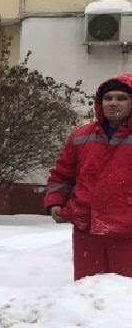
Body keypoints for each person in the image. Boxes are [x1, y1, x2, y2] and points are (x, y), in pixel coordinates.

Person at [45, 74, 132, 278]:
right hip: (87, 229)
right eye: (108, 98)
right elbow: (62, 175)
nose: (113, 103)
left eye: (121, 98)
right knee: (86, 296)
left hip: (127, 232)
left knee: (125, 298)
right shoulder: (81, 136)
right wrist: (55, 201)